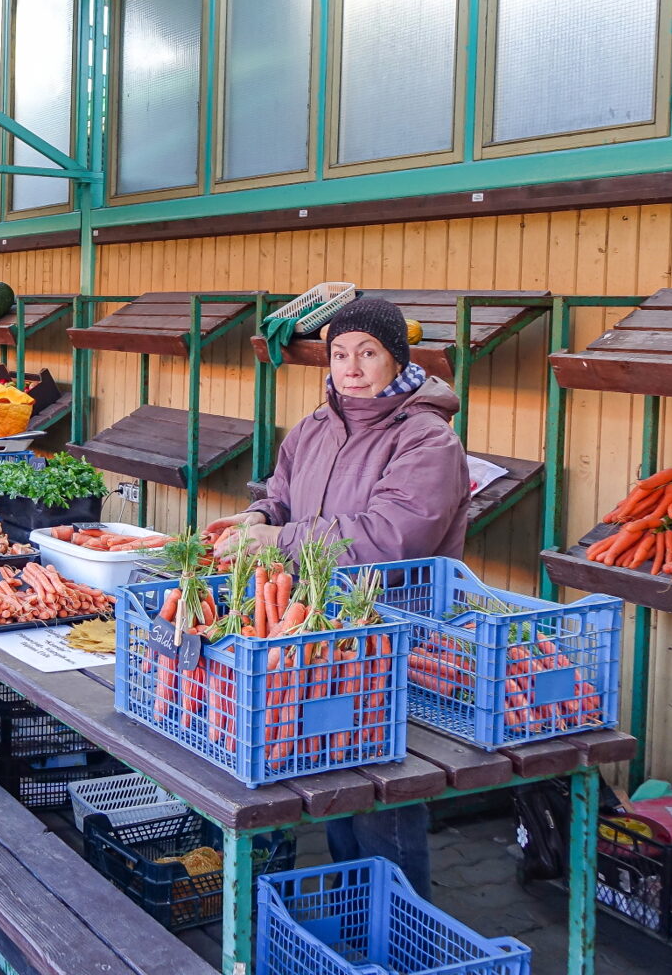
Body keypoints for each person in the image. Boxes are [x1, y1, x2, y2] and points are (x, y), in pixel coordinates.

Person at [208, 296, 470, 894]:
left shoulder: (426, 440)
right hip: (320, 628)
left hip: (392, 630)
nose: (351, 368)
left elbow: (390, 538)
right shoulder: (315, 426)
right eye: (340, 354)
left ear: (397, 358)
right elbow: (281, 494)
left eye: (368, 353)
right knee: (331, 768)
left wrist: (281, 538)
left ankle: (402, 922)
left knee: (380, 789)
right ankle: (353, 913)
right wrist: (256, 518)